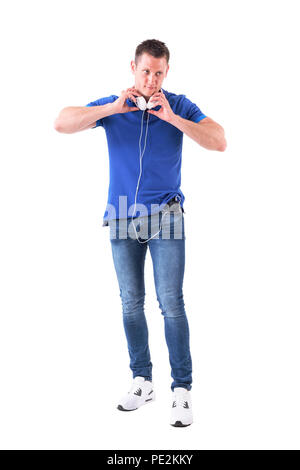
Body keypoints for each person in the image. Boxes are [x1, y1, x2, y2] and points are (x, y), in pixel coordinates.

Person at [54, 39, 227, 427]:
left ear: (167, 73)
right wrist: (112, 108)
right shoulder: (114, 106)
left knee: (171, 303)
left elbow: (219, 141)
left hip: (166, 216)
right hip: (119, 216)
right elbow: (61, 122)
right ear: (133, 67)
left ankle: (181, 390)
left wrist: (172, 119)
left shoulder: (178, 104)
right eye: (145, 71)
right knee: (131, 303)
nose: (151, 80)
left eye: (159, 73)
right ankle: (141, 380)